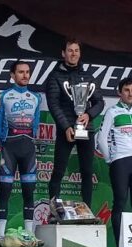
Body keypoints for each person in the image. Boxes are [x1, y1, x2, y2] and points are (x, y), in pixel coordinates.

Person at [96, 77, 132, 247]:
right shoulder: (112, 112)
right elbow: (101, 138)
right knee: (120, 202)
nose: (130, 94)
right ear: (119, 92)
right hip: (119, 161)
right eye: (127, 90)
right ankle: (120, 246)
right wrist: (110, 159)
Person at [46, 38, 104, 207]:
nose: (73, 54)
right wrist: (65, 126)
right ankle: (54, 211)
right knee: (58, 171)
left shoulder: (89, 77)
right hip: (67, 130)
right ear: (63, 53)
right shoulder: (55, 76)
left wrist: (88, 115)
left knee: (87, 172)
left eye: (76, 50)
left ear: (80, 53)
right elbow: (53, 104)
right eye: (70, 50)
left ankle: (87, 212)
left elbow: (99, 102)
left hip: (86, 128)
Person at [0, 60, 42, 244]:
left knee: (29, 191)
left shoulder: (36, 97)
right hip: (10, 148)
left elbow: (36, 121)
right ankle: (1, 235)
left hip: (28, 147)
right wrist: (4, 140)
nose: (25, 75)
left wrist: (31, 137)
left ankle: (29, 234)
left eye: (27, 72)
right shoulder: (3, 96)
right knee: (5, 190)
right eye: (21, 72)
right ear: (12, 75)